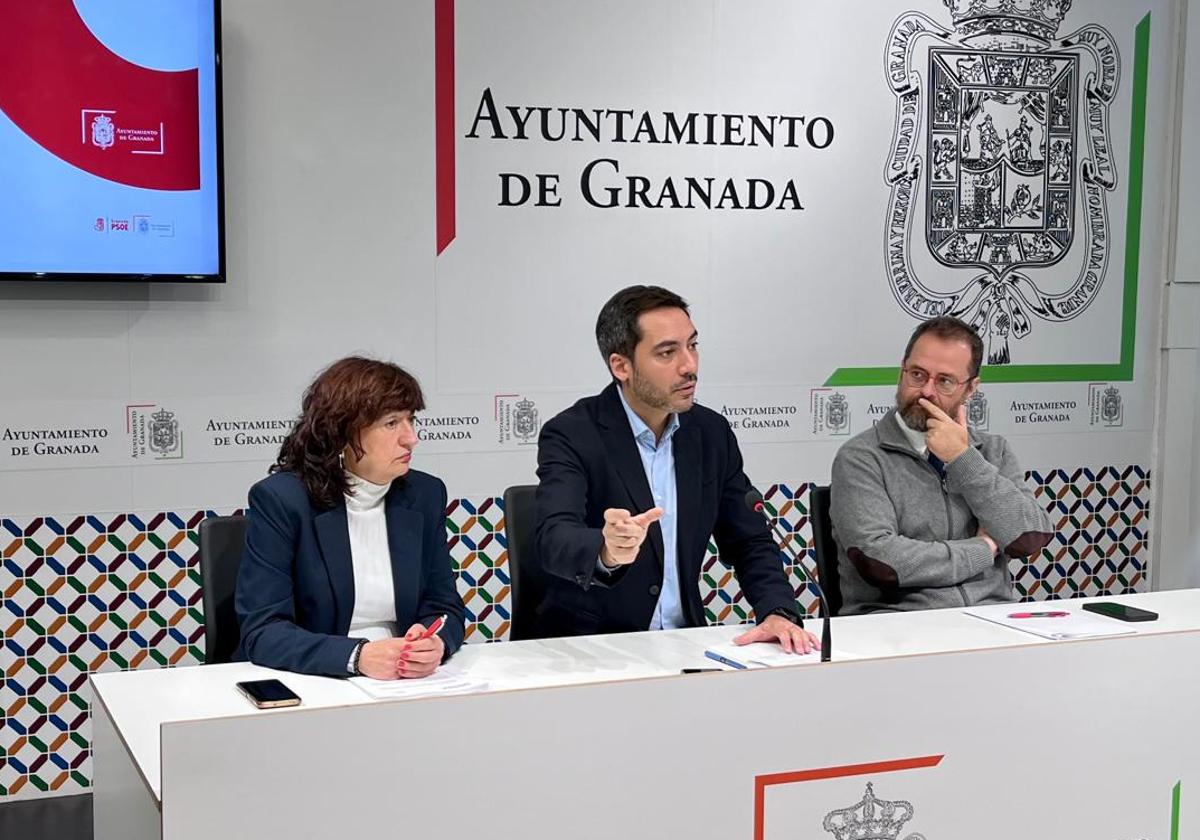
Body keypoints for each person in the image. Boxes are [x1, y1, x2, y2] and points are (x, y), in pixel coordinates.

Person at [534, 285, 817, 652]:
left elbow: (749, 540)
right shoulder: (572, 433)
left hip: (684, 643)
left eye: (693, 345)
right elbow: (553, 537)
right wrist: (606, 549)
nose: (690, 366)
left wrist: (778, 610)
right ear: (621, 366)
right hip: (593, 648)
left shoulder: (710, 433)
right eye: (667, 352)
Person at [235, 357, 466, 678]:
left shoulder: (425, 494)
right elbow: (263, 631)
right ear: (343, 432)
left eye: (411, 420)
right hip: (314, 678)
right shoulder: (283, 500)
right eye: (391, 423)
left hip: (405, 682)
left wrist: (434, 642)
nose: (411, 437)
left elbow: (445, 606)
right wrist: (357, 656)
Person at [829, 316, 1053, 614]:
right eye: (918, 375)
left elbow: (1029, 537)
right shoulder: (861, 457)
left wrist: (963, 459)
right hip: (899, 624)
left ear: (971, 389)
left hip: (993, 619)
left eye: (945, 381)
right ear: (901, 372)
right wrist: (984, 548)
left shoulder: (992, 451)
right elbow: (881, 561)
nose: (926, 392)